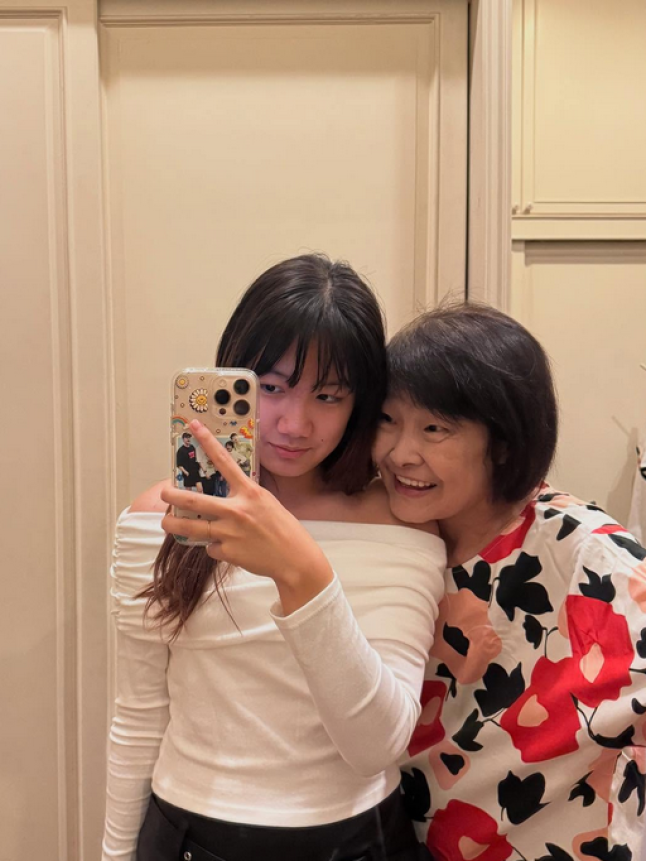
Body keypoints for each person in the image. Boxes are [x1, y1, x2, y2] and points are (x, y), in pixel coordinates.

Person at [102, 254, 447, 861]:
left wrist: (300, 573)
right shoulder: (162, 516)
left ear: (360, 402)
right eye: (271, 387)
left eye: (328, 395)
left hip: (356, 838)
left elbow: (378, 746)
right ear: (233, 378)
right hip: (190, 832)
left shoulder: (398, 524)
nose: (294, 423)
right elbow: (138, 716)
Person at [375, 304, 646, 861]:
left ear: (502, 441)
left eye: (434, 428)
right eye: (386, 420)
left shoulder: (586, 553)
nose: (401, 453)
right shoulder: (377, 535)